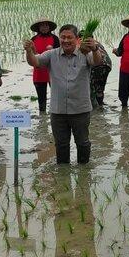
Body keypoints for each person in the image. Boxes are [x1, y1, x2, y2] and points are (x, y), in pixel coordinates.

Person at [23, 24, 103, 164]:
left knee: (83, 143)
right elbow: (35, 62)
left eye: (69, 37)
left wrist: (95, 48)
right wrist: (29, 51)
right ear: (59, 38)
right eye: (63, 37)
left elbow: (97, 61)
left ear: (77, 39)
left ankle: (84, 174)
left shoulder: (85, 54)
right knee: (61, 145)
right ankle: (63, 174)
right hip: (58, 110)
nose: (66, 40)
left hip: (80, 109)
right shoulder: (51, 54)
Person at [30, 18, 60, 113]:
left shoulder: (55, 39)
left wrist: (52, 50)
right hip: (39, 71)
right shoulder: (33, 40)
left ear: (49, 27)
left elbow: (60, 54)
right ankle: (42, 117)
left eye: (46, 25)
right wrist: (31, 50)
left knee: (57, 95)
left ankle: (57, 113)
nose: (44, 27)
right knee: (41, 97)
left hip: (53, 71)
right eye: (42, 25)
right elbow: (31, 56)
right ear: (38, 28)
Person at [89, 39, 112, 108]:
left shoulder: (84, 44)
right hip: (107, 64)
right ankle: (100, 104)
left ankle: (97, 107)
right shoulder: (96, 42)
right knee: (101, 86)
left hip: (98, 64)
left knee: (93, 87)